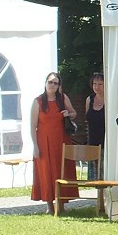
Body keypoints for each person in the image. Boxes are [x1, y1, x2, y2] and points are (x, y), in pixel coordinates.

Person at [30, 71, 77, 215]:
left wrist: (68, 114)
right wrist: (35, 146)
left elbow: (74, 113)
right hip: (44, 142)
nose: (52, 85)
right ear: (45, 83)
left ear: (58, 86)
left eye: (55, 83)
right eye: (50, 82)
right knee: (46, 172)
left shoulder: (62, 98)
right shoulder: (38, 101)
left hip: (61, 141)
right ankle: (49, 206)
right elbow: (33, 125)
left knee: (61, 171)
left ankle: (62, 205)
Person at [84, 73, 105, 180]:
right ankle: (98, 197)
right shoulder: (89, 100)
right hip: (92, 142)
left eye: (100, 84)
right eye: (94, 84)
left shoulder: (110, 100)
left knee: (105, 174)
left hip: (106, 144)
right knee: (94, 178)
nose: (97, 87)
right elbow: (87, 119)